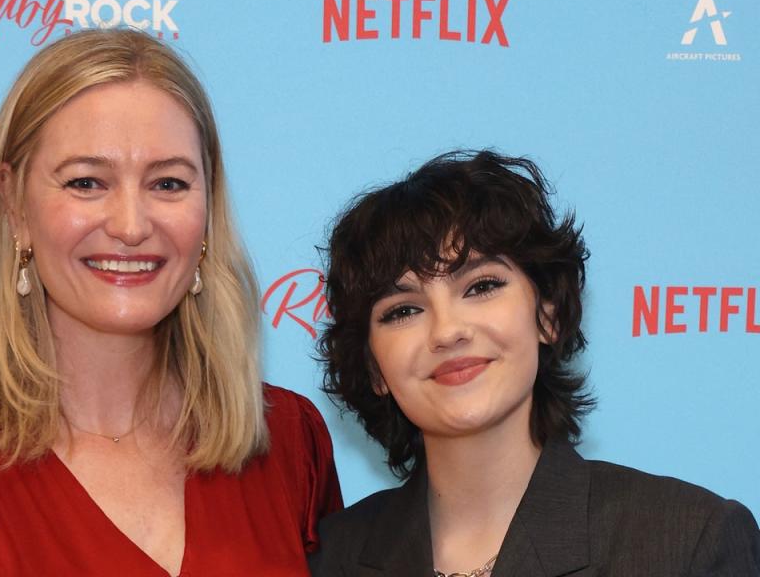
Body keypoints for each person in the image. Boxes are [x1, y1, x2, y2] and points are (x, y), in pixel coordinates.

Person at [0, 28, 341, 576]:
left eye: (169, 184)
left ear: (208, 208)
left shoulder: (289, 443)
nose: (130, 226)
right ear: (14, 204)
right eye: (86, 182)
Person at [309, 151, 760, 576]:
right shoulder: (331, 557)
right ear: (373, 368)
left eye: (481, 286)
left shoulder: (686, 541)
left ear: (548, 315)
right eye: (403, 310)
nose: (447, 332)